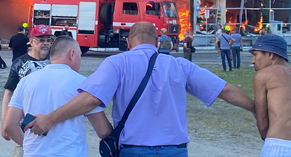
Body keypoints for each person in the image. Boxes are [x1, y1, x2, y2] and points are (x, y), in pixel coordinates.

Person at [25, 21, 255, 157]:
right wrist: (256, 108)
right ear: (157, 43)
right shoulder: (180, 65)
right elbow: (224, 90)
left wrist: (50, 119)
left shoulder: (117, 63)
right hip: (174, 151)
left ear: (128, 42)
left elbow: (90, 100)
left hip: (133, 152)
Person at [4, 36, 112, 157]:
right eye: (79, 55)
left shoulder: (25, 81)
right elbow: (103, 130)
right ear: (72, 54)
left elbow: (9, 125)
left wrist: (28, 145)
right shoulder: (83, 83)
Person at [0, 25, 52, 154]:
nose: (46, 43)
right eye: (41, 40)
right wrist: (4, 121)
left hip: (52, 127)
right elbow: (9, 93)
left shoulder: (55, 62)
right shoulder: (20, 63)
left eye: (48, 40)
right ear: (32, 41)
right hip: (25, 128)